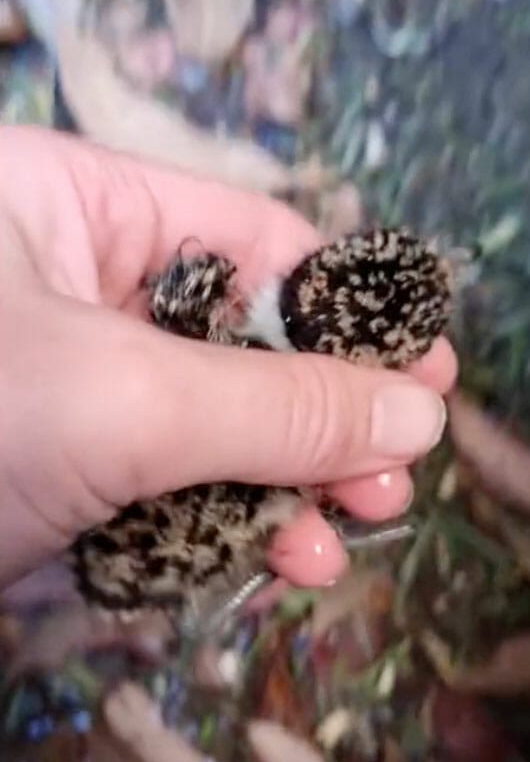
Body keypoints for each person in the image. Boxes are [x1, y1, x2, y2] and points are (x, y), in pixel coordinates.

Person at [0, 127, 456, 592]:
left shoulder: (235, 316)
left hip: (121, 533)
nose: (313, 288)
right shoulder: (254, 326)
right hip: (118, 535)